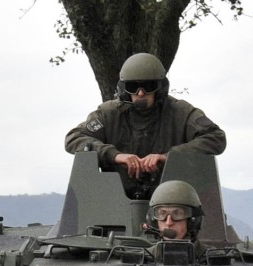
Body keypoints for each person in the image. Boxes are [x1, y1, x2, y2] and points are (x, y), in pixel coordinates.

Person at [64, 53, 226, 198]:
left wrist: (169, 157)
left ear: (160, 87)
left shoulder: (181, 112)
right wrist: (114, 155)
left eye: (148, 87)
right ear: (125, 89)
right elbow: (74, 138)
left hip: (173, 204)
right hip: (114, 203)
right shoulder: (108, 114)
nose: (141, 93)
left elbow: (215, 137)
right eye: (133, 87)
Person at [143, 180, 205, 258]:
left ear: (193, 221)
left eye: (177, 214)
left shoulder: (216, 260)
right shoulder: (143, 259)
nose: (169, 223)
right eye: (162, 214)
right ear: (154, 221)